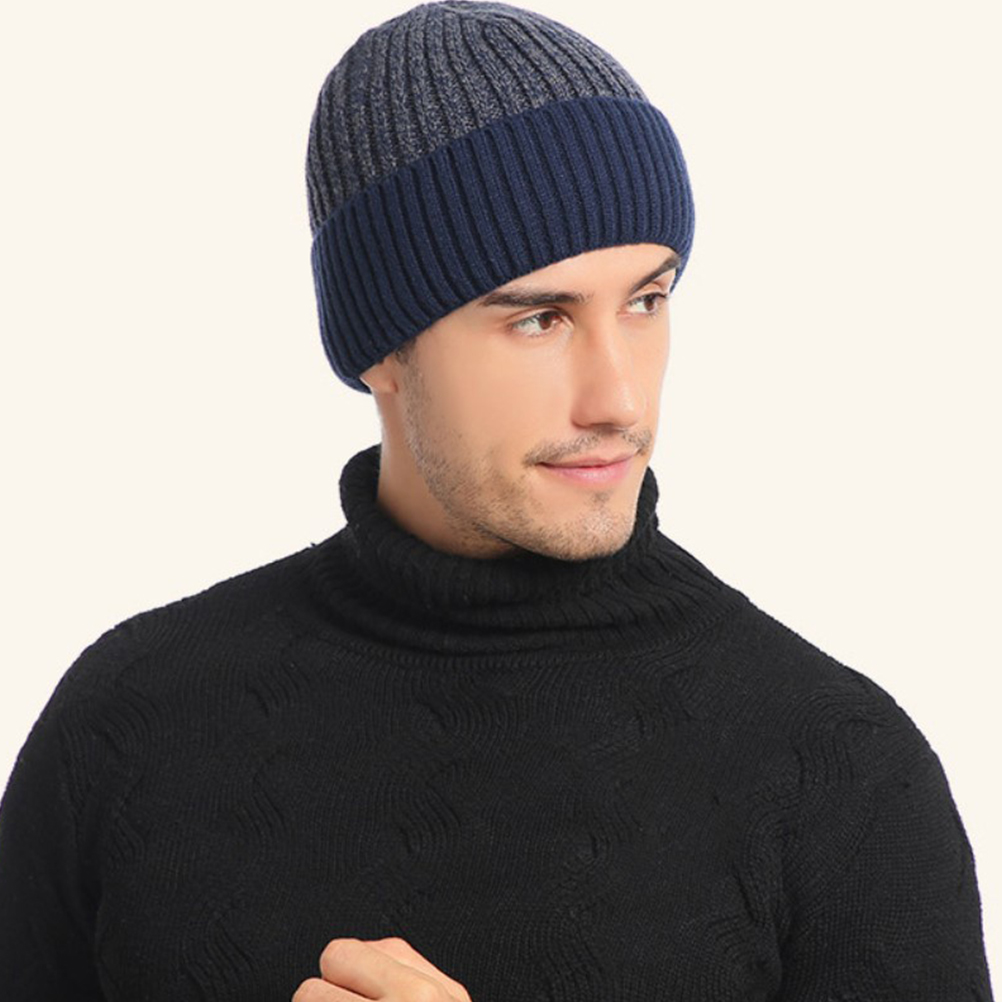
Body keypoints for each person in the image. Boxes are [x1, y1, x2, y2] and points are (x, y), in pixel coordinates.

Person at [0, 1, 993, 1000]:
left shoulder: (840, 768)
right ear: (382, 349)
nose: (619, 399)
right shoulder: (130, 720)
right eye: (539, 319)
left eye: (647, 301)